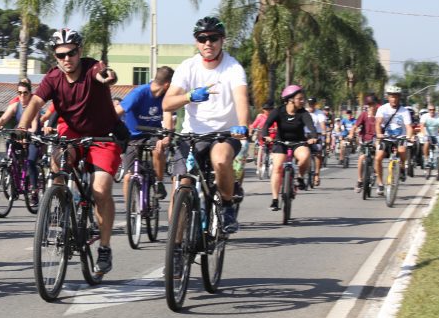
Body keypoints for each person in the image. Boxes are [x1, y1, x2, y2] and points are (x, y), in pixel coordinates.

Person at [17, 28, 122, 274]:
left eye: (71, 53)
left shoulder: (93, 68)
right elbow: (35, 102)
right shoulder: (53, 78)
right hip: (71, 134)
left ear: (80, 51)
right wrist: (23, 126)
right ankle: (60, 201)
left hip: (102, 136)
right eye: (60, 54)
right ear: (55, 56)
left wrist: (109, 77)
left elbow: (106, 74)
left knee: (101, 189)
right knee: (58, 162)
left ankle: (104, 248)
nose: (66, 59)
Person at [162, 16, 250, 234]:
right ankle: (177, 249)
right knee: (182, 185)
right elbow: (167, 102)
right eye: (202, 38)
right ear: (196, 42)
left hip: (224, 134)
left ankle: (227, 205)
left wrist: (242, 125)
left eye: (213, 38)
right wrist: (189, 96)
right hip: (192, 135)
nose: (207, 43)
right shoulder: (187, 67)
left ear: (222, 41)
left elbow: (241, 100)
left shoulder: (233, 68)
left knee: (220, 161)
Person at [116, 66, 175, 205]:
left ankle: (159, 182)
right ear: (167, 84)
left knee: (158, 148)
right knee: (128, 177)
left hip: (153, 134)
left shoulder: (166, 97)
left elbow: (169, 117)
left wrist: (167, 136)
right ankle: (130, 212)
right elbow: (118, 111)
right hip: (133, 136)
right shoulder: (139, 93)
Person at [0, 78, 48, 204]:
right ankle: (13, 170)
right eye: (19, 93)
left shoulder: (34, 106)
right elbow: (3, 118)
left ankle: (34, 190)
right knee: (9, 142)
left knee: (31, 162)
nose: (22, 95)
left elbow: (33, 127)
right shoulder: (15, 105)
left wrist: (28, 131)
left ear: (30, 93)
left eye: (25, 93)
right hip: (20, 136)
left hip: (33, 138)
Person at [263, 85, 317, 210]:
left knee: (305, 156)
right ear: (290, 99)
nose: (303, 101)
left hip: (298, 142)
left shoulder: (303, 113)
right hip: (280, 142)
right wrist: (266, 136)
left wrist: (313, 137)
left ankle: (300, 177)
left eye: (303, 99)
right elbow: (266, 125)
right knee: (277, 168)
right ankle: (275, 200)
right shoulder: (278, 111)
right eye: (300, 99)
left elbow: (311, 126)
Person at [374, 85, 413, 195]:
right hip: (386, 138)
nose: (394, 99)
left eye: (396, 97)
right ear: (388, 97)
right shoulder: (383, 109)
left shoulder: (404, 111)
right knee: (378, 158)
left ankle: (402, 168)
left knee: (402, 151)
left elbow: (409, 126)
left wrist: (409, 136)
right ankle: (380, 184)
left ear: (399, 98)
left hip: (400, 137)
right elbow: (378, 123)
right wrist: (378, 134)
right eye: (392, 96)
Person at [350, 94, 380, 192]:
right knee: (361, 158)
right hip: (365, 140)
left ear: (376, 104)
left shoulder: (380, 115)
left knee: (377, 158)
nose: (371, 106)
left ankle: (377, 177)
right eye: (369, 104)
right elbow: (355, 126)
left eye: (372, 104)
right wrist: (351, 134)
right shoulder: (364, 114)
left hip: (376, 140)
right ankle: (359, 180)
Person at [307, 98, 328, 185]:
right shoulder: (304, 112)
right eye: (309, 104)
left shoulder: (320, 113)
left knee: (318, 154)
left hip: (317, 135)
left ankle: (317, 175)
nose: (311, 106)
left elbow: (322, 124)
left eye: (312, 104)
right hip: (306, 135)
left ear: (315, 104)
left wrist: (323, 131)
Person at [420, 105, 439, 170]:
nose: (432, 111)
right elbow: (422, 125)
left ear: (435, 110)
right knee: (426, 142)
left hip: (436, 135)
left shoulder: (438, 117)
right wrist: (424, 134)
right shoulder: (424, 116)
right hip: (427, 135)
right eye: (430, 110)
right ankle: (426, 159)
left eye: (433, 109)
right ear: (428, 110)